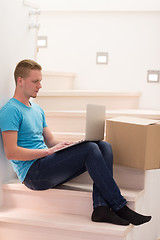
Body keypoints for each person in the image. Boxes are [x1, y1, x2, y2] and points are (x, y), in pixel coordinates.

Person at [0, 59, 151, 226]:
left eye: (40, 81)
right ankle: (119, 205)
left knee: (103, 146)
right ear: (20, 81)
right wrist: (48, 152)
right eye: (35, 81)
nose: (40, 86)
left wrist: (71, 145)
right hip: (33, 174)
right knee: (90, 149)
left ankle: (100, 208)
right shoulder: (10, 110)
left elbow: (50, 140)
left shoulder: (37, 109)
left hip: (46, 163)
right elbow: (11, 152)